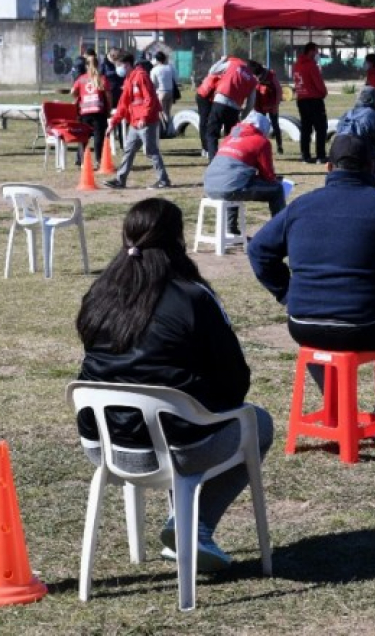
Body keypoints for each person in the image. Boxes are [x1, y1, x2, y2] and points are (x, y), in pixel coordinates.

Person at [74, 197, 273, 572]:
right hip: (178, 446)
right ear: (177, 240)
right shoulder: (195, 297)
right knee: (257, 422)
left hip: (105, 444)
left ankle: (182, 521)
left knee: (182, 415)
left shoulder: (97, 294)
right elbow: (236, 382)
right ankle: (194, 526)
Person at [248, 134, 375, 443]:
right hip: (367, 324)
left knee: (320, 336)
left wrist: (286, 294)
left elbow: (258, 249)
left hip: (303, 324)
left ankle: (338, 409)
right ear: (372, 168)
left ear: (328, 167)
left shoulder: (301, 205)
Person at [203, 112, 286, 233]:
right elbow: (267, 175)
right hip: (230, 188)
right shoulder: (261, 141)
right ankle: (280, 231)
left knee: (235, 182)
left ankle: (231, 229)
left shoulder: (229, 138)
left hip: (209, 187)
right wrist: (275, 180)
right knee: (277, 190)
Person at [104, 54, 172, 190]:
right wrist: (113, 123)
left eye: (119, 65)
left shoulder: (141, 76)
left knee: (151, 151)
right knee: (129, 150)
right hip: (135, 122)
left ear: (127, 64)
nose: (118, 69)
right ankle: (120, 180)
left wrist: (144, 118)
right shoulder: (129, 79)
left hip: (146, 122)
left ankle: (163, 180)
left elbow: (150, 99)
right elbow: (123, 104)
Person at [204, 54, 257, 158]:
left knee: (212, 134)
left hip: (220, 101)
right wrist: (243, 116)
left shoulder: (233, 64)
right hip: (235, 108)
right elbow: (251, 103)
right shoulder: (252, 80)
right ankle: (229, 160)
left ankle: (213, 162)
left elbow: (212, 71)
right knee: (232, 137)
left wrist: (221, 60)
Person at [71, 53, 111, 170]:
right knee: (99, 138)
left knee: (83, 138)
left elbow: (73, 92)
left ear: (86, 66)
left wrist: (79, 95)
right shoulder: (102, 78)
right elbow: (108, 96)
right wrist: (108, 109)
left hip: (84, 112)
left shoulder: (81, 79)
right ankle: (98, 161)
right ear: (98, 65)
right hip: (98, 112)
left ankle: (82, 162)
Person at [291, 42, 328, 164]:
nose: (317, 54)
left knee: (306, 129)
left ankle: (305, 155)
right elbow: (318, 83)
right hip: (314, 100)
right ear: (311, 51)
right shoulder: (311, 65)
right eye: (316, 51)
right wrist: (323, 92)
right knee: (320, 128)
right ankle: (320, 155)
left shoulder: (296, 65)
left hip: (302, 99)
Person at [251, 60, 284, 155]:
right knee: (259, 125)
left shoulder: (271, 76)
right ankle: (259, 146)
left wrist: (275, 105)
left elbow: (278, 91)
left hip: (272, 105)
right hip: (260, 105)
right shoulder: (254, 77)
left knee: (275, 125)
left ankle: (279, 146)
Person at [195, 59, 226, 158]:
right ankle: (205, 148)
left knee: (208, 122)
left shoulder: (219, 72)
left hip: (208, 96)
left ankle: (208, 147)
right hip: (204, 96)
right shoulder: (218, 72)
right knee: (204, 122)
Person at [149, 51, 177, 134]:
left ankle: (164, 130)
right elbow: (175, 78)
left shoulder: (155, 69)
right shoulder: (170, 68)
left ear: (157, 60)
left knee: (161, 112)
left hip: (161, 92)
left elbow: (153, 82)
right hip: (170, 91)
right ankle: (170, 129)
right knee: (168, 112)